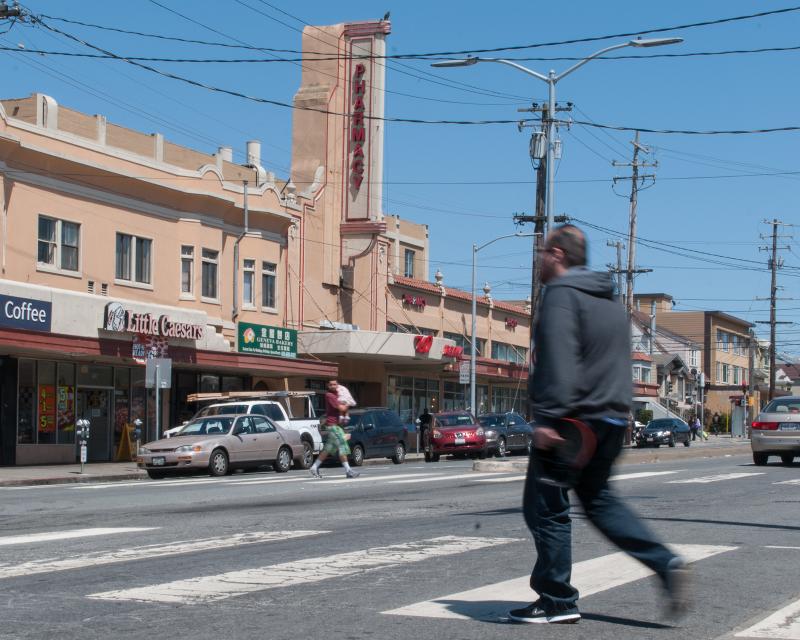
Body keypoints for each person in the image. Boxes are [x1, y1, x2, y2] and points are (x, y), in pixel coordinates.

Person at [513, 224, 688, 625]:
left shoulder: (560, 294)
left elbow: (558, 357)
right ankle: (666, 563)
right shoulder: (610, 302)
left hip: (572, 422)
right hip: (611, 417)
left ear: (557, 255)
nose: (538, 259)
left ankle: (557, 599)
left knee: (545, 508)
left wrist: (548, 419)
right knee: (599, 501)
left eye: (542, 252)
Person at [309, 379, 359, 479]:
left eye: (335, 384)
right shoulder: (329, 395)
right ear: (328, 385)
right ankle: (348, 470)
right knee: (342, 447)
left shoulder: (338, 394)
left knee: (327, 449)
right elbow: (341, 409)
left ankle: (314, 467)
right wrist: (349, 403)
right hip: (333, 426)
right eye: (331, 384)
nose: (333, 386)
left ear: (337, 385)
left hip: (336, 426)